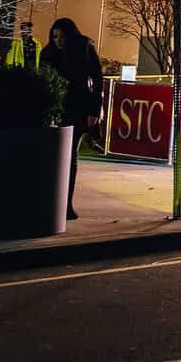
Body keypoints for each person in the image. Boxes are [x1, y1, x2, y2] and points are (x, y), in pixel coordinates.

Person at [41, 18, 104, 222]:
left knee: (70, 156)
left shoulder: (85, 49)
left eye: (61, 36)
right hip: (56, 109)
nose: (57, 40)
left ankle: (66, 203)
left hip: (77, 109)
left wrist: (95, 109)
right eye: (54, 36)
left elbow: (98, 79)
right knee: (56, 156)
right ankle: (55, 202)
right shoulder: (48, 53)